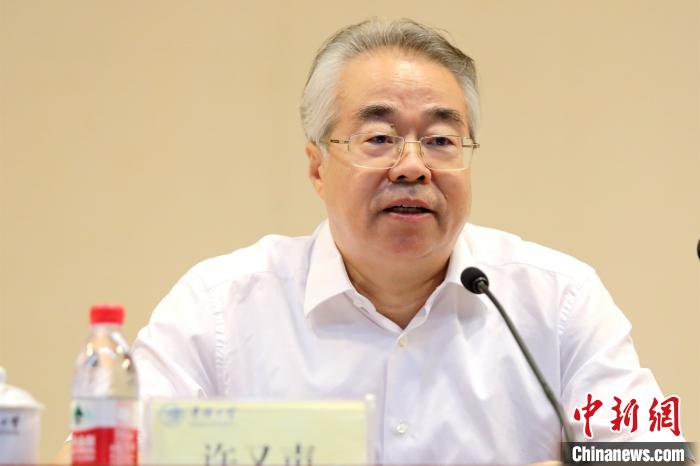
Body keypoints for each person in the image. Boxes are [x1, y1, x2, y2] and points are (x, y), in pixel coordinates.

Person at [130, 19, 684, 464]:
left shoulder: (558, 299)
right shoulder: (220, 308)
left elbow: (656, 453)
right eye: (379, 137)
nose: (413, 166)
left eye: (441, 140)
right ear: (317, 167)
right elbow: (109, 452)